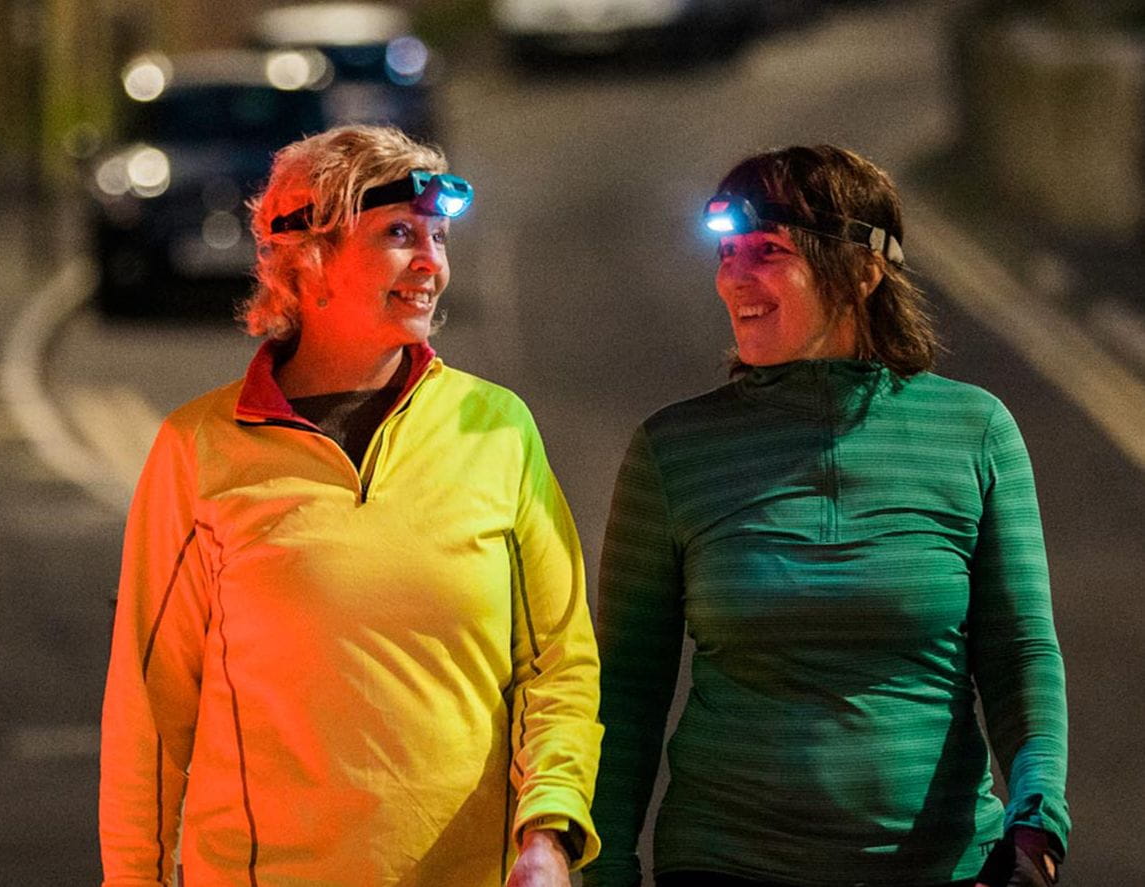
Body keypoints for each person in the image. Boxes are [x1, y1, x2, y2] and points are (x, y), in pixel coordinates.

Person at [99, 124, 603, 886]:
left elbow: (557, 662)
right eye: (399, 233)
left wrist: (549, 831)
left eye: (437, 236)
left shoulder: (496, 426)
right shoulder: (198, 449)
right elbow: (150, 713)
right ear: (307, 257)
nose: (431, 263)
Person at [583, 145, 1069, 887]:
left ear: (863, 270)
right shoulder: (673, 450)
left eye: (767, 251)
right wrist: (606, 866)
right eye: (726, 252)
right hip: (726, 862)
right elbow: (623, 689)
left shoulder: (973, 429)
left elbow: (1019, 651)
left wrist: (1036, 821)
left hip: (939, 865)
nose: (733, 278)